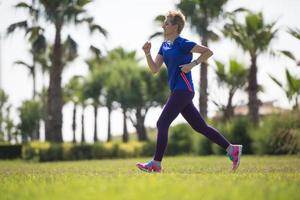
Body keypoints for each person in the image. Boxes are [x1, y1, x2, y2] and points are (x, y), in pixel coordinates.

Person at [136, 10, 242, 173]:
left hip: (184, 89)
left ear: (176, 27)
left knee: (162, 123)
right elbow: (155, 69)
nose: (164, 25)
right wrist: (147, 53)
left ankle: (156, 164)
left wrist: (193, 64)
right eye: (164, 22)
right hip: (177, 91)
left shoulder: (182, 43)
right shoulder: (164, 45)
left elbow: (208, 51)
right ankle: (232, 150)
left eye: (167, 22)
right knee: (200, 127)